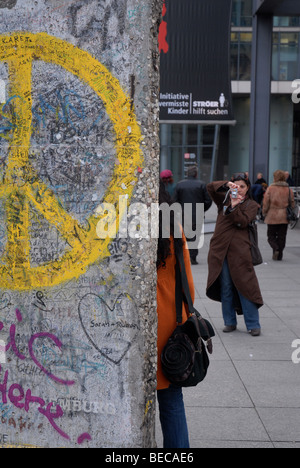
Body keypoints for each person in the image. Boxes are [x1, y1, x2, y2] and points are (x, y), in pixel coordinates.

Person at [156, 181, 193, 448]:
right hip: (171, 322)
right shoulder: (173, 227)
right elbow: (187, 282)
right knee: (171, 401)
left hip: (133, 325)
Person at [206, 173, 263, 337]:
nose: (239, 190)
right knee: (226, 288)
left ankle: (253, 324)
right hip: (220, 252)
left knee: (246, 286)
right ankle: (229, 322)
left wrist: (234, 206)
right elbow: (210, 187)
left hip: (240, 253)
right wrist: (227, 185)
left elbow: (242, 222)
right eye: (236, 186)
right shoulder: (223, 200)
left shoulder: (252, 205)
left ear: (248, 188)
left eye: (242, 187)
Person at [173, 165, 212, 264]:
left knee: (184, 235)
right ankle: (193, 257)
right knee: (196, 236)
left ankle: (184, 256)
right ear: (196, 174)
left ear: (187, 174)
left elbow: (175, 200)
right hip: (197, 214)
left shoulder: (179, 185)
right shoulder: (202, 184)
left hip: (183, 214)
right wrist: (202, 209)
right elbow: (208, 200)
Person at [263, 170, 295, 261]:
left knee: (271, 236)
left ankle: (275, 248)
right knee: (282, 236)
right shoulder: (288, 189)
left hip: (272, 215)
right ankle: (279, 255)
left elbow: (266, 202)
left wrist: (264, 212)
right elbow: (292, 203)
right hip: (284, 215)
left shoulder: (270, 188)